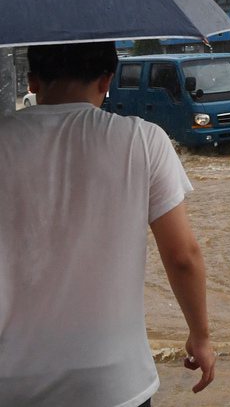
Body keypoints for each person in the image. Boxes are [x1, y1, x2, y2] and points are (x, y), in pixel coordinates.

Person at [0, 42, 215, 407]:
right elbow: (182, 255)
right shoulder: (144, 140)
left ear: (32, 80)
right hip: (114, 383)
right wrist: (201, 336)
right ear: (107, 80)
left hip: (12, 382)